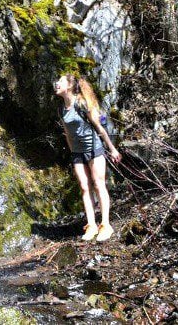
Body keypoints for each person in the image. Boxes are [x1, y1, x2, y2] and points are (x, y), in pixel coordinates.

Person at [54, 73, 122, 242]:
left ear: (69, 86)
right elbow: (68, 134)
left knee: (99, 184)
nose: (57, 84)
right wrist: (73, 152)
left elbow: (100, 128)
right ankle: (91, 225)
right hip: (77, 153)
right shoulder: (62, 108)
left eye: (60, 81)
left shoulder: (82, 104)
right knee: (85, 187)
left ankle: (105, 225)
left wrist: (112, 149)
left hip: (94, 149)